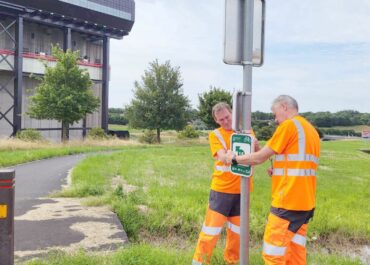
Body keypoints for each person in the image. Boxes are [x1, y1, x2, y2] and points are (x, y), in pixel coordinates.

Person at [225, 95, 320, 265]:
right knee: (295, 254)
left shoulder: (289, 125)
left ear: (284, 107)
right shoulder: (310, 129)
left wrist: (234, 159)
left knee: (273, 254)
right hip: (305, 203)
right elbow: (300, 163)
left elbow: (259, 158)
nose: (276, 120)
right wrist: (278, 171)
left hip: (287, 203)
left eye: (275, 114)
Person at [192, 102, 259, 265]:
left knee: (237, 234)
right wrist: (230, 156)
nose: (226, 122)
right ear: (216, 121)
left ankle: (232, 262)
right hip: (221, 192)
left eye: (227, 117)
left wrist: (255, 145)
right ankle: (200, 262)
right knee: (210, 232)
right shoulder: (216, 134)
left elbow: (257, 154)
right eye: (221, 120)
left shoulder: (247, 131)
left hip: (242, 192)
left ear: (233, 114)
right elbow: (221, 157)